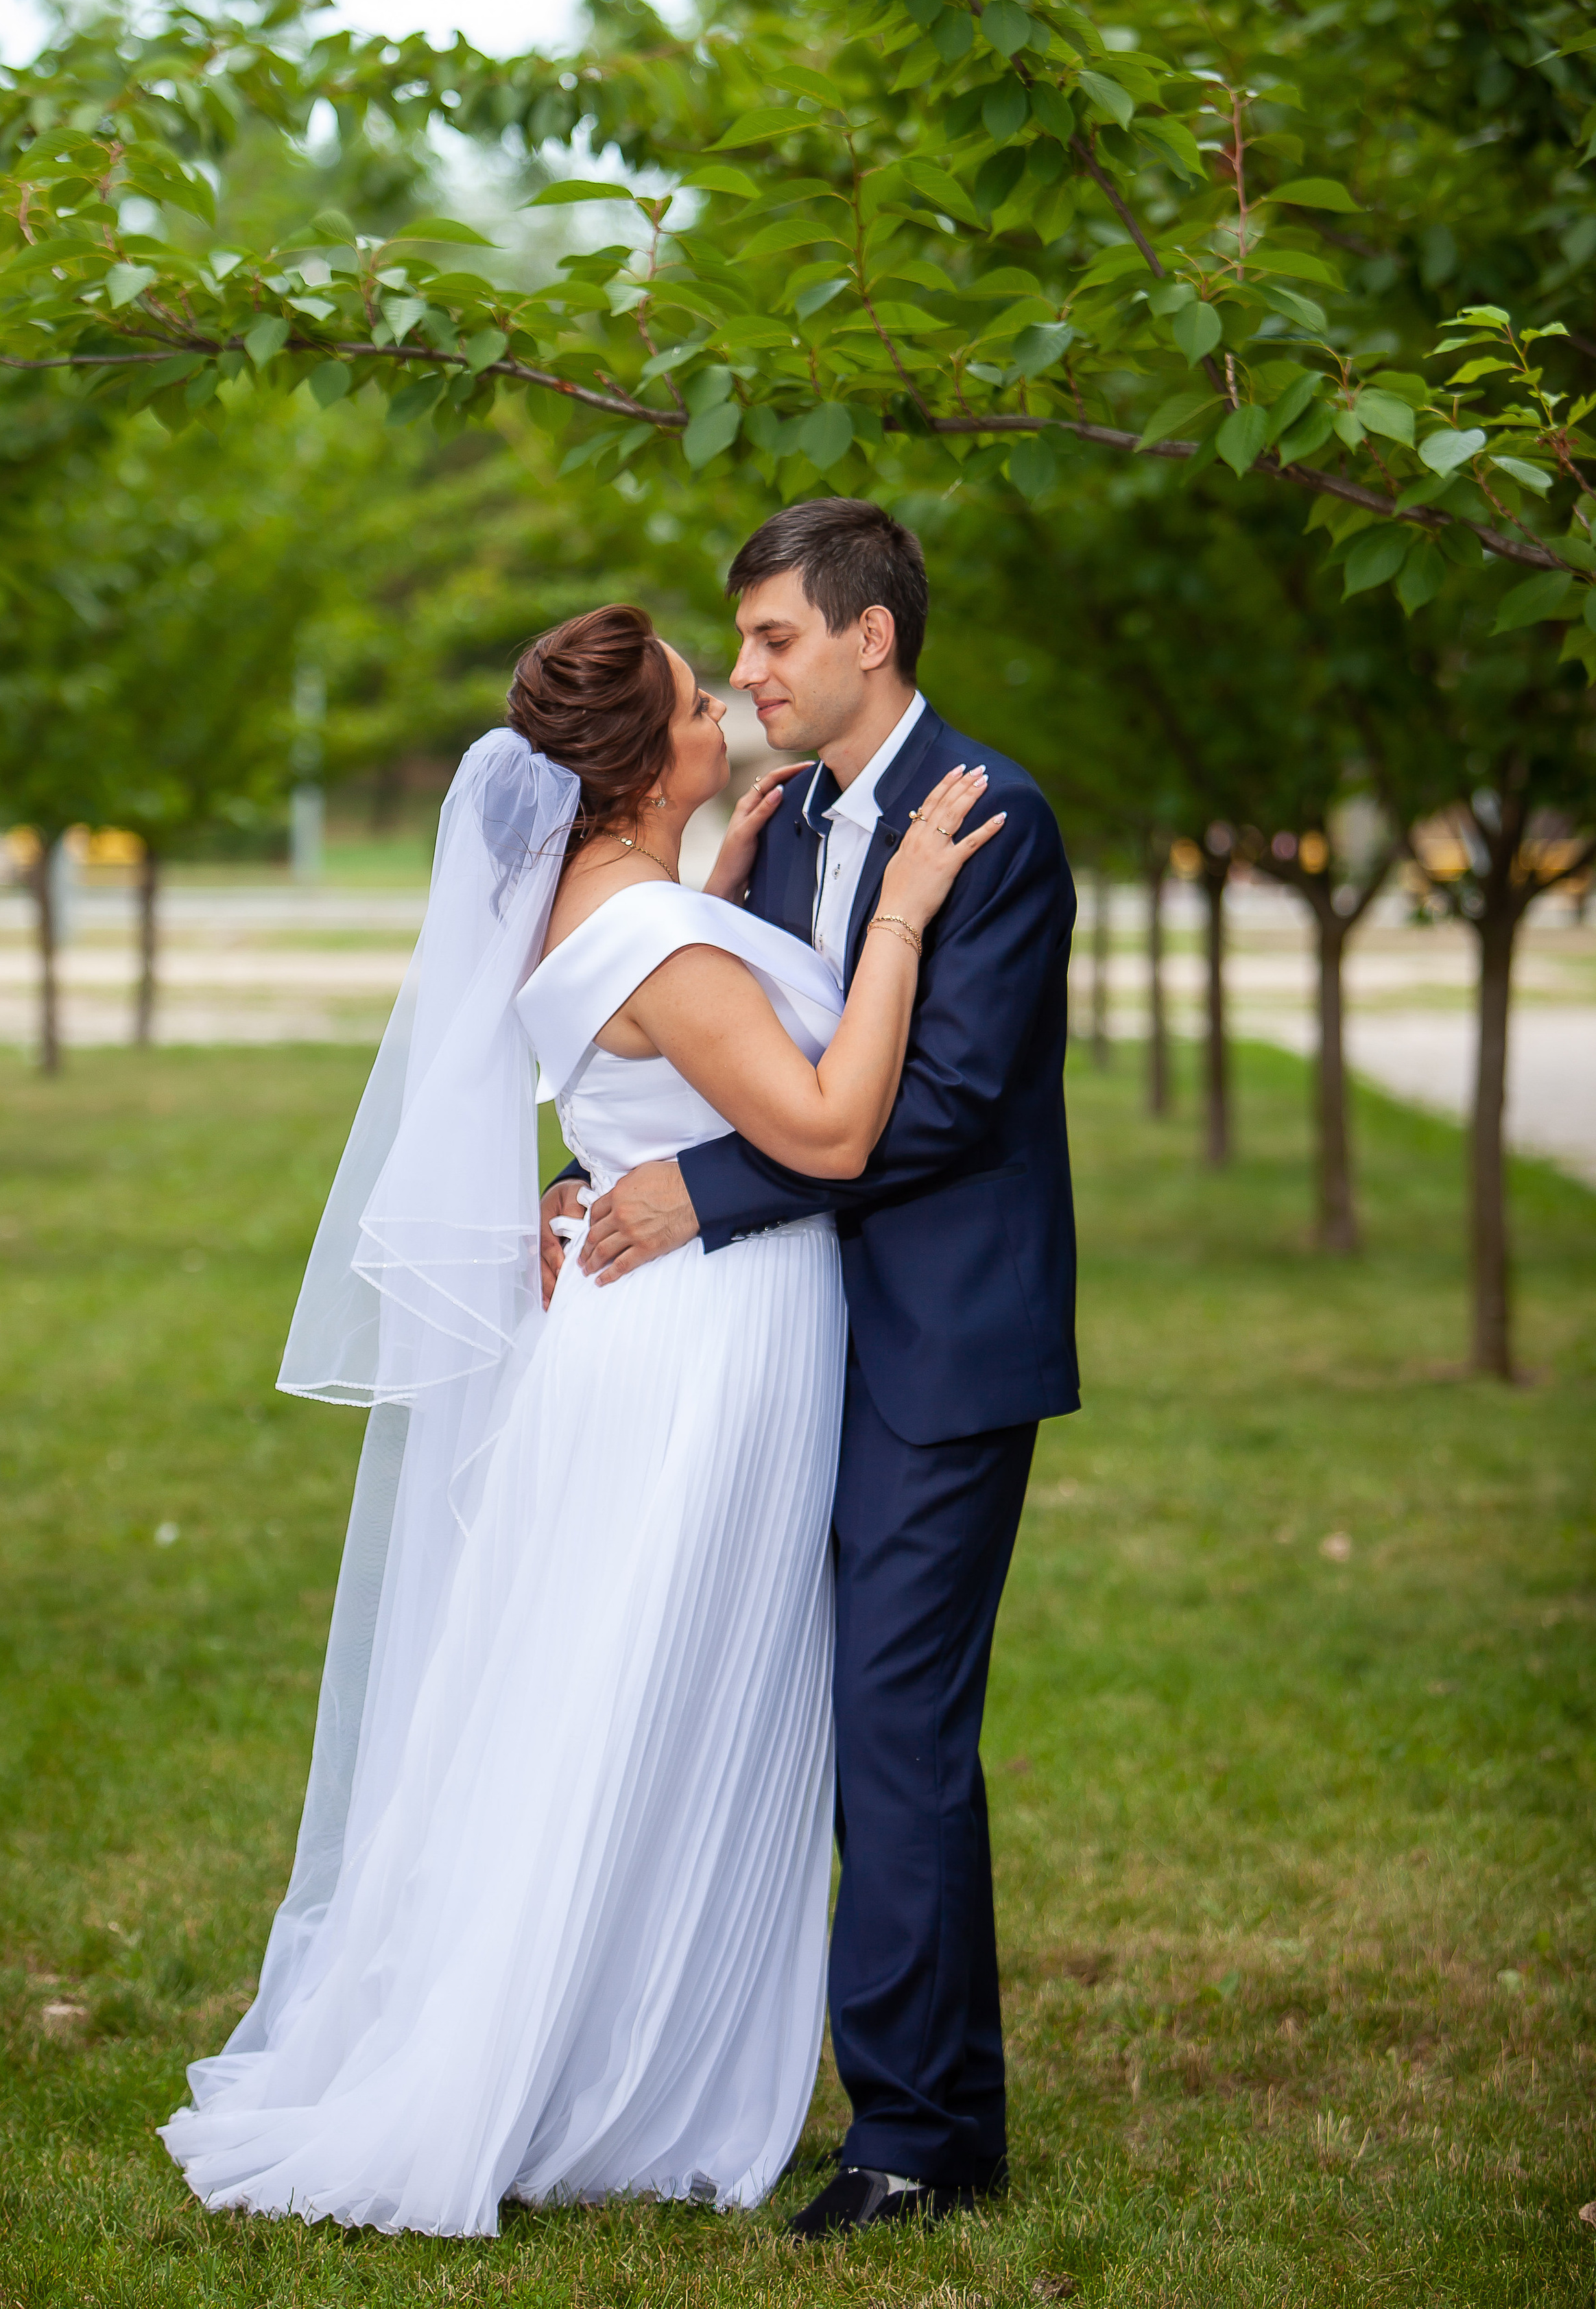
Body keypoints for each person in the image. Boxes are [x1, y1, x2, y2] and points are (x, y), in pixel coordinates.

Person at [158, 602, 1003, 2238]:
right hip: (704, 1343)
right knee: (644, 1693)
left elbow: (630, 1067)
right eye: (702, 697)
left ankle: (605, 2025)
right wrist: (892, 918)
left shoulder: (599, 903)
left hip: (656, 1325)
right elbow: (827, 1132)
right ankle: (593, 2057)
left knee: (617, 1687)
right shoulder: (659, 941)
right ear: (642, 764)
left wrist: (712, 895)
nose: (728, 708)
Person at [541, 501, 1079, 2241]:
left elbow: (930, 1107)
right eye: (740, 648)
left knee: (892, 1731)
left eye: (771, 639)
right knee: (747, 1705)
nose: (752, 672)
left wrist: (692, 1193)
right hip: (774, 1351)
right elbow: (729, 1049)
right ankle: (697, 2061)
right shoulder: (776, 828)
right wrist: (599, 1171)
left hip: (934, 1347)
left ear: (870, 639)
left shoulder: (989, 819)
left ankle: (921, 2137)